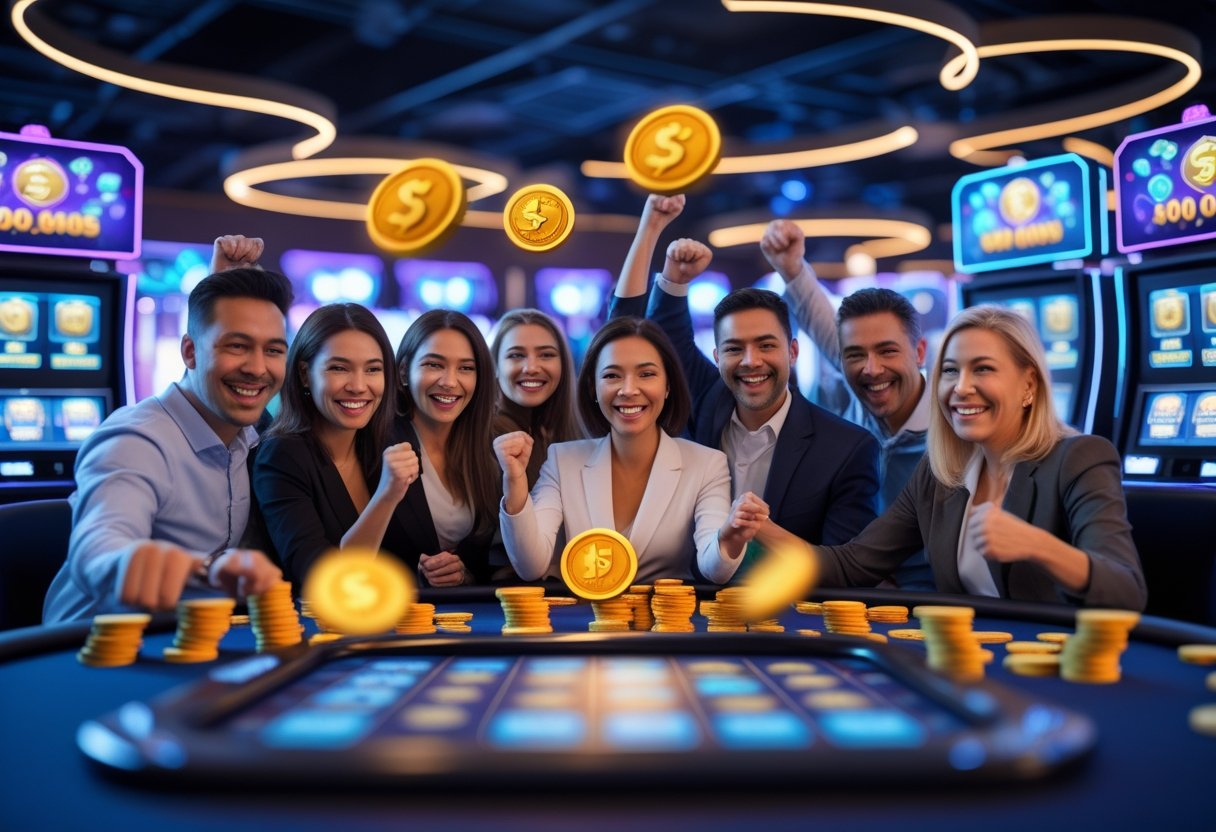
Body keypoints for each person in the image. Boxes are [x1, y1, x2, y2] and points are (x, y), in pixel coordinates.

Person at [765, 305, 1146, 609]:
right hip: (968, 664)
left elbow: (1126, 590)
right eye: (950, 371)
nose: (962, 388)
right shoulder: (939, 472)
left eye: (983, 369)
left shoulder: (1080, 458)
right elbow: (852, 565)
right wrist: (760, 529)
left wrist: (1037, 545)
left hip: (1057, 668)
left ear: (1029, 383)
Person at [611, 195, 880, 568]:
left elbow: (847, 568)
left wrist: (759, 528)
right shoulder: (709, 401)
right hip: (697, 608)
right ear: (718, 357)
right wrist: (674, 279)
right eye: (735, 348)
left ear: (793, 352)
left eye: (766, 345)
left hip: (794, 615)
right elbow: (665, 340)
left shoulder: (847, 448)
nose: (751, 361)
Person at [43, 236, 288, 623]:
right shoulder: (135, 440)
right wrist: (185, 568)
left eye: (273, 350)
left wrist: (219, 285)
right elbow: (101, 546)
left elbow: (210, 383)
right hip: (85, 653)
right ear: (189, 352)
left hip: (181, 641)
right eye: (238, 346)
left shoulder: (247, 434)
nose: (258, 368)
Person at [495, 317, 764, 584]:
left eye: (646, 374)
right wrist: (515, 484)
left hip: (664, 622)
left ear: (668, 385)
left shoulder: (707, 464)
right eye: (612, 376)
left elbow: (713, 567)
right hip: (583, 620)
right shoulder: (561, 460)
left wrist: (729, 537)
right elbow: (531, 565)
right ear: (593, 388)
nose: (628, 390)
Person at [761, 218, 934, 589]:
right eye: (855, 355)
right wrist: (791, 267)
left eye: (888, 351)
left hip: (931, 601)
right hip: (849, 584)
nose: (872, 369)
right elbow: (825, 324)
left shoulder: (958, 422)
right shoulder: (859, 395)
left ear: (920, 352)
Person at [250, 303, 421, 585]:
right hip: (312, 627)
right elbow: (321, 580)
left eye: (372, 369)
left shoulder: (382, 444)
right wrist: (387, 495)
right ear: (305, 374)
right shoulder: (281, 455)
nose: (357, 385)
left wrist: (430, 569)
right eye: (339, 368)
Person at [392, 309, 499, 586]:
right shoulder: (379, 443)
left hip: (466, 615)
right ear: (404, 372)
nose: (450, 382)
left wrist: (464, 573)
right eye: (434, 365)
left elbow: (487, 556)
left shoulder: (488, 447)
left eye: (465, 368)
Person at [489, 308, 581, 488]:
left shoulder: (569, 431)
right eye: (516, 355)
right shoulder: (486, 437)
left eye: (546, 355)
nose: (531, 367)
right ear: (495, 366)